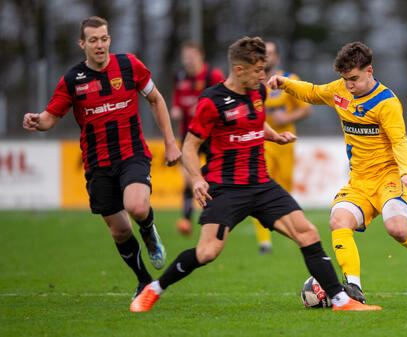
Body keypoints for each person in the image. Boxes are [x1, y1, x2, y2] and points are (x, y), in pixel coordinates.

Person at [130, 37, 382, 312]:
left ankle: (341, 300)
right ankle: (154, 289)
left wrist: (275, 136)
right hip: (225, 187)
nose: (263, 75)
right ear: (239, 70)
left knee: (307, 232)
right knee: (207, 252)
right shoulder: (212, 102)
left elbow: (256, 123)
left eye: (264, 68)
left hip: (261, 184)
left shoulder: (258, 92)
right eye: (258, 70)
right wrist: (197, 178)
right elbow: (189, 145)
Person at [268, 41, 407, 304]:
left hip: (390, 177)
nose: (349, 85)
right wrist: (283, 83)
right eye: (345, 79)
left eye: (354, 78)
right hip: (359, 181)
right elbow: (312, 92)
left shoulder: (387, 102)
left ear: (369, 71)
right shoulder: (340, 91)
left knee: (396, 228)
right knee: (338, 220)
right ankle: (354, 287)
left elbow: (399, 140)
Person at [22, 16, 181, 298]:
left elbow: (156, 99)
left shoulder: (130, 66)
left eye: (104, 38)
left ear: (110, 39)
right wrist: (37, 120)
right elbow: (51, 118)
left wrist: (170, 142)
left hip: (132, 153)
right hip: (97, 163)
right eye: (93, 40)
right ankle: (143, 280)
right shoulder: (72, 80)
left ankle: (148, 230)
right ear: (82, 44)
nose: (100, 45)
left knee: (137, 207)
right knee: (119, 231)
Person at [251, 41, 311, 254]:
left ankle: (286, 228)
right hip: (261, 142)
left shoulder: (290, 80)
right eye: (263, 55)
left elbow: (305, 110)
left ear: (276, 57)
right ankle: (264, 241)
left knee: (284, 187)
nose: (267, 58)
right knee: (260, 185)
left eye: (270, 54)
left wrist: (287, 116)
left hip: (285, 141)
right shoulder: (252, 82)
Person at [171, 41, 225, 236]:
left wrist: (205, 109)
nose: (188, 60)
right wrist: (176, 108)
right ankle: (186, 220)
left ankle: (214, 217)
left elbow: (223, 99)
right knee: (188, 179)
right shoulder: (179, 76)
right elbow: (177, 99)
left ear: (201, 56)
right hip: (189, 136)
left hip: (211, 136)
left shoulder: (213, 75)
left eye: (192, 55)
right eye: (185, 56)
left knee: (212, 178)